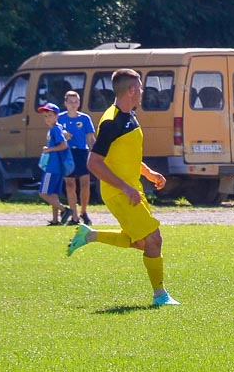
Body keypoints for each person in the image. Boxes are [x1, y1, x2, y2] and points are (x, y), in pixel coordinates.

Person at [66, 69, 179, 306]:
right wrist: (125, 188)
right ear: (131, 90)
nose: (142, 91)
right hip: (119, 191)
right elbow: (94, 163)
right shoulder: (111, 122)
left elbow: (124, 155)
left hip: (132, 187)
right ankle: (160, 295)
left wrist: (147, 172)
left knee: (141, 242)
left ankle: (89, 235)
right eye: (139, 87)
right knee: (153, 239)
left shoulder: (130, 116)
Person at [58, 91, 96, 226]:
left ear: (79, 103)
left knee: (85, 183)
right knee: (70, 184)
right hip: (67, 153)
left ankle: (83, 211)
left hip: (81, 152)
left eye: (76, 102)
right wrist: (63, 135)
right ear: (65, 103)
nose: (73, 105)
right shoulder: (60, 118)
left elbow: (90, 138)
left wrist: (96, 154)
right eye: (70, 102)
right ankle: (74, 215)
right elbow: (53, 135)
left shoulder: (85, 119)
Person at [37, 103, 72, 226]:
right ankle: (55, 219)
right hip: (57, 167)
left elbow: (63, 145)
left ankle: (65, 210)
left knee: (43, 193)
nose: (47, 118)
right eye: (45, 116)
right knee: (52, 194)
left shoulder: (55, 129)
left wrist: (49, 150)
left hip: (53, 167)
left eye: (50, 115)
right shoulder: (57, 128)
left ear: (57, 116)